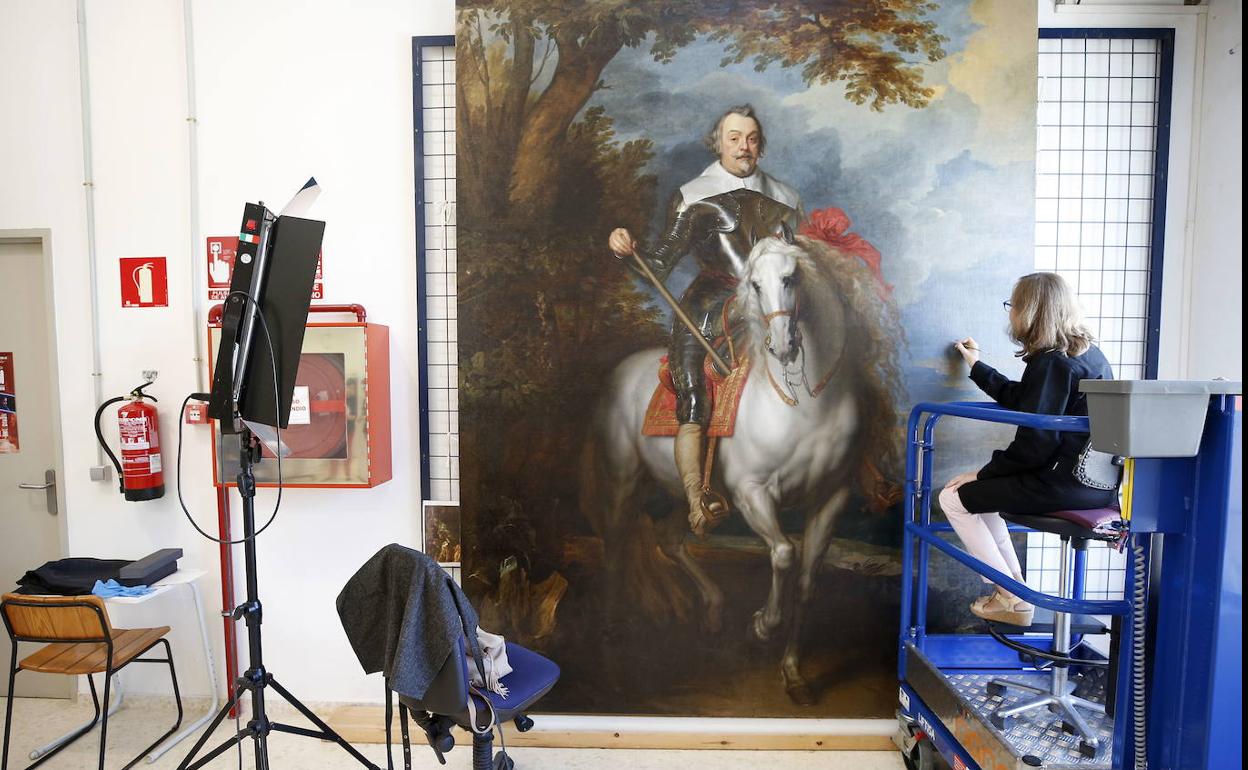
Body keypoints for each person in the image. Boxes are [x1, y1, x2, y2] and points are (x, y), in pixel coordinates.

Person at [607, 105, 802, 537]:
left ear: (761, 145)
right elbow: (659, 261)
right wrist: (626, 247)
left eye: (751, 138)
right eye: (733, 138)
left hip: (771, 299)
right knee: (692, 385)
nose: (743, 147)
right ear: (718, 143)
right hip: (711, 304)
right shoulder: (695, 194)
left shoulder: (786, 198)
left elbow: (796, 260)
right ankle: (698, 498)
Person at [942, 272, 1117, 626]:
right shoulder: (1086, 354)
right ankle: (1013, 592)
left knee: (952, 498)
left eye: (1013, 306)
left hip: (1060, 484)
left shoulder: (1052, 362)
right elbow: (1024, 400)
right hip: (1097, 486)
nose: (1010, 314)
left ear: (1030, 310)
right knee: (977, 497)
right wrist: (976, 365)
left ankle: (1011, 596)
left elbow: (1035, 445)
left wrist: (981, 472)